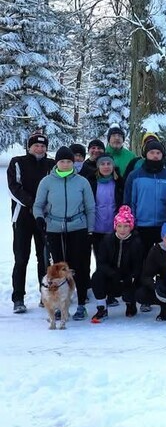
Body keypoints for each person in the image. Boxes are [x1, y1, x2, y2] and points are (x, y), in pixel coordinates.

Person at [33, 146, 96, 320]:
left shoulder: (82, 182)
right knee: (58, 270)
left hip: (78, 227)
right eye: (63, 161)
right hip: (55, 228)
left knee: (79, 267)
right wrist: (39, 218)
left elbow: (90, 207)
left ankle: (81, 303)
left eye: (69, 161)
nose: (66, 164)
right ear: (57, 163)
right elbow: (38, 205)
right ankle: (61, 305)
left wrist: (90, 229)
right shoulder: (47, 181)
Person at [7, 131, 54, 313]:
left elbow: (53, 186)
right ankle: (18, 297)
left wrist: (43, 207)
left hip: (44, 217)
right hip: (22, 216)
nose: (39, 148)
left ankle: (45, 295)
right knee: (21, 258)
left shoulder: (50, 164)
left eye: (43, 146)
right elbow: (14, 187)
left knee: (43, 258)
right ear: (29, 146)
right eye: (36, 145)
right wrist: (32, 203)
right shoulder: (17, 162)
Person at [89, 206, 145, 321]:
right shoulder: (107, 240)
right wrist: (113, 274)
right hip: (112, 276)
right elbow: (101, 262)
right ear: (115, 226)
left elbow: (138, 265)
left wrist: (130, 277)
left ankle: (130, 304)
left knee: (134, 286)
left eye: (126, 226)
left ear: (131, 227)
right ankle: (102, 308)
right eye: (119, 226)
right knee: (97, 277)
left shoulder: (137, 242)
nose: (122, 230)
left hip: (128, 279)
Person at [124, 140, 166, 250]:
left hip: (163, 226)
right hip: (141, 226)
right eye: (152, 152)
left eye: (158, 153)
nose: (155, 156)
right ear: (146, 154)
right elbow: (129, 201)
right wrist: (131, 223)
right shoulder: (135, 175)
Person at [86, 154, 124, 263]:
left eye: (109, 164)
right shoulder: (91, 182)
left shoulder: (119, 182)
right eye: (102, 164)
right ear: (98, 166)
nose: (106, 167)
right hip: (96, 229)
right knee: (101, 261)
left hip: (115, 229)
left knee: (114, 260)